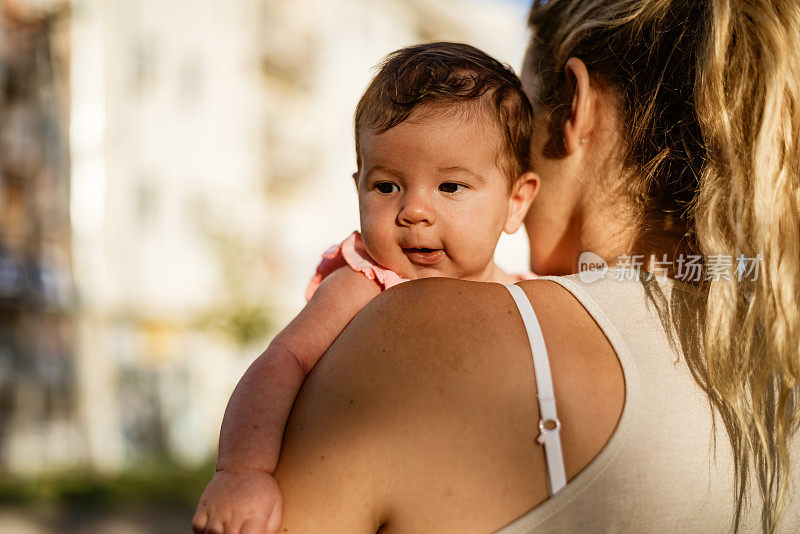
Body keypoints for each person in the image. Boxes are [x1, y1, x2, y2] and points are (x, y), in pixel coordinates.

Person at [245, 0, 798, 532]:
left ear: (575, 110)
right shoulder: (775, 360)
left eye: (526, 127)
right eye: (387, 184)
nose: (416, 211)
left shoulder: (413, 325)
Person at [192, 42, 540, 534]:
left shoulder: (532, 301)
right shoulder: (366, 283)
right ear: (358, 186)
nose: (413, 211)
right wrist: (242, 471)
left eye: (450, 187)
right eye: (386, 186)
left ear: (516, 202)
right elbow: (282, 361)